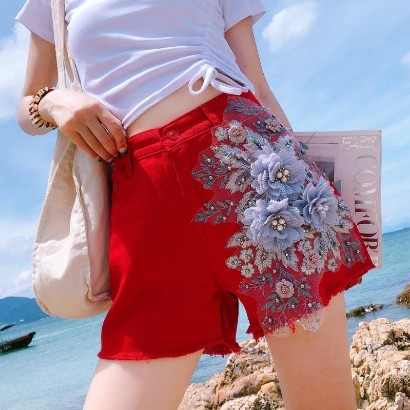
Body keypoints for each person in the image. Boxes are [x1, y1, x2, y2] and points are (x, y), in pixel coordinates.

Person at [15, 1, 376, 409]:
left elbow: (257, 85)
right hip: (145, 207)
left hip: (256, 171)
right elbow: (26, 105)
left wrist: (313, 183)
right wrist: (54, 101)